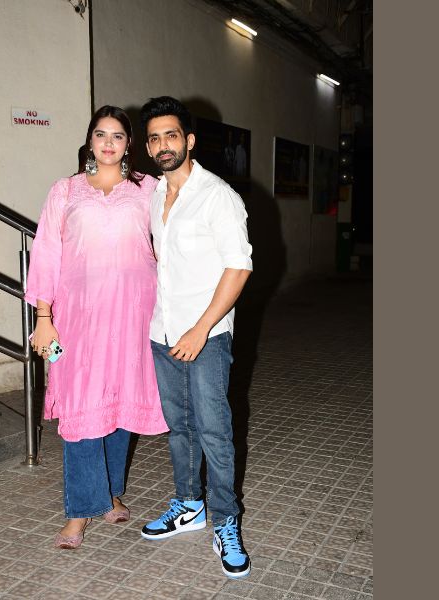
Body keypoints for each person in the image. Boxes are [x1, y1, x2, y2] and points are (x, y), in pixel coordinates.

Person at [24, 105, 169, 550]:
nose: (109, 143)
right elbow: (46, 254)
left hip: (133, 315)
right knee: (81, 409)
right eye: (101, 134)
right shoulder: (65, 191)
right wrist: (43, 319)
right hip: (77, 320)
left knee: (119, 407)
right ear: (90, 141)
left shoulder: (148, 188)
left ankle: (109, 494)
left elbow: (171, 242)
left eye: (118, 136)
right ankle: (79, 511)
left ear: (129, 144)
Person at [138, 96, 253, 579]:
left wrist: (201, 328)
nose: (163, 145)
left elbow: (239, 266)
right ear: (149, 148)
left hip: (206, 336)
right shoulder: (152, 195)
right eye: (154, 138)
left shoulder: (217, 196)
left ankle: (226, 521)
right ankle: (189, 504)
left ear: (188, 140)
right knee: (179, 426)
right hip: (162, 331)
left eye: (171, 135)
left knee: (214, 431)